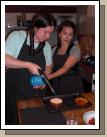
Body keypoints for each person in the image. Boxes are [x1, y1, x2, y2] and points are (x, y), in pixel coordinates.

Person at [5, 12, 55, 125]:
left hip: (36, 96)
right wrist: (29, 65)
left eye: (50, 33)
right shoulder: (17, 37)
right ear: (35, 27)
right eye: (46, 32)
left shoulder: (46, 46)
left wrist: (43, 81)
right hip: (14, 95)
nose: (48, 37)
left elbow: (48, 67)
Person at [47, 20, 83, 95]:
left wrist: (47, 78)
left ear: (72, 36)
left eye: (70, 34)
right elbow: (50, 67)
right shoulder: (54, 49)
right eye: (64, 33)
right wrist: (44, 76)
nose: (67, 37)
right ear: (59, 34)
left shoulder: (75, 49)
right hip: (58, 85)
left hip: (72, 86)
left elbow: (65, 68)